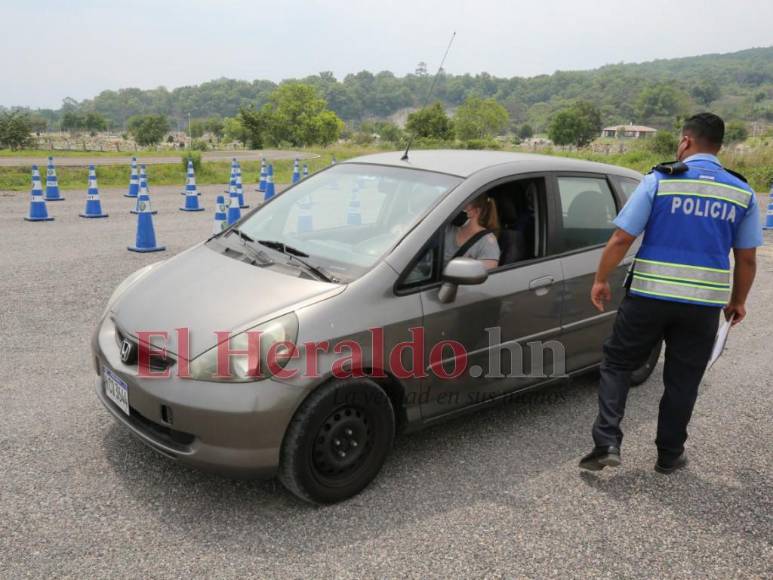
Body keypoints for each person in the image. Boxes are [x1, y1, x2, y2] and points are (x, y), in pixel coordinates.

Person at [579, 112, 763, 474]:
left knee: (617, 363)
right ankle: (669, 454)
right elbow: (747, 259)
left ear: (686, 142)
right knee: (683, 378)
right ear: (720, 146)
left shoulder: (660, 180)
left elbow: (621, 237)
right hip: (702, 306)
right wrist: (738, 301)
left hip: (649, 296)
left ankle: (607, 442)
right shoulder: (741, 192)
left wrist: (601, 278)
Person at [444, 194, 500, 269]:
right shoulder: (447, 229)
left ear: (476, 211)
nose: (457, 210)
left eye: (462, 207)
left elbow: (485, 275)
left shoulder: (487, 242)